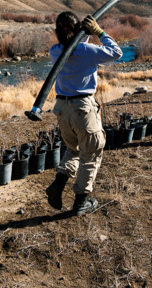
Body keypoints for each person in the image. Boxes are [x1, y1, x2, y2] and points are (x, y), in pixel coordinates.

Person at [45, 12, 123, 216]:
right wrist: (100, 32)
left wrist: (83, 34)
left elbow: (71, 46)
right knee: (91, 153)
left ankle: (58, 184)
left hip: (63, 109)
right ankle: (81, 202)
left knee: (73, 149)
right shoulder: (88, 50)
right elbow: (116, 53)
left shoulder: (55, 51)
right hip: (83, 109)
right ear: (79, 29)